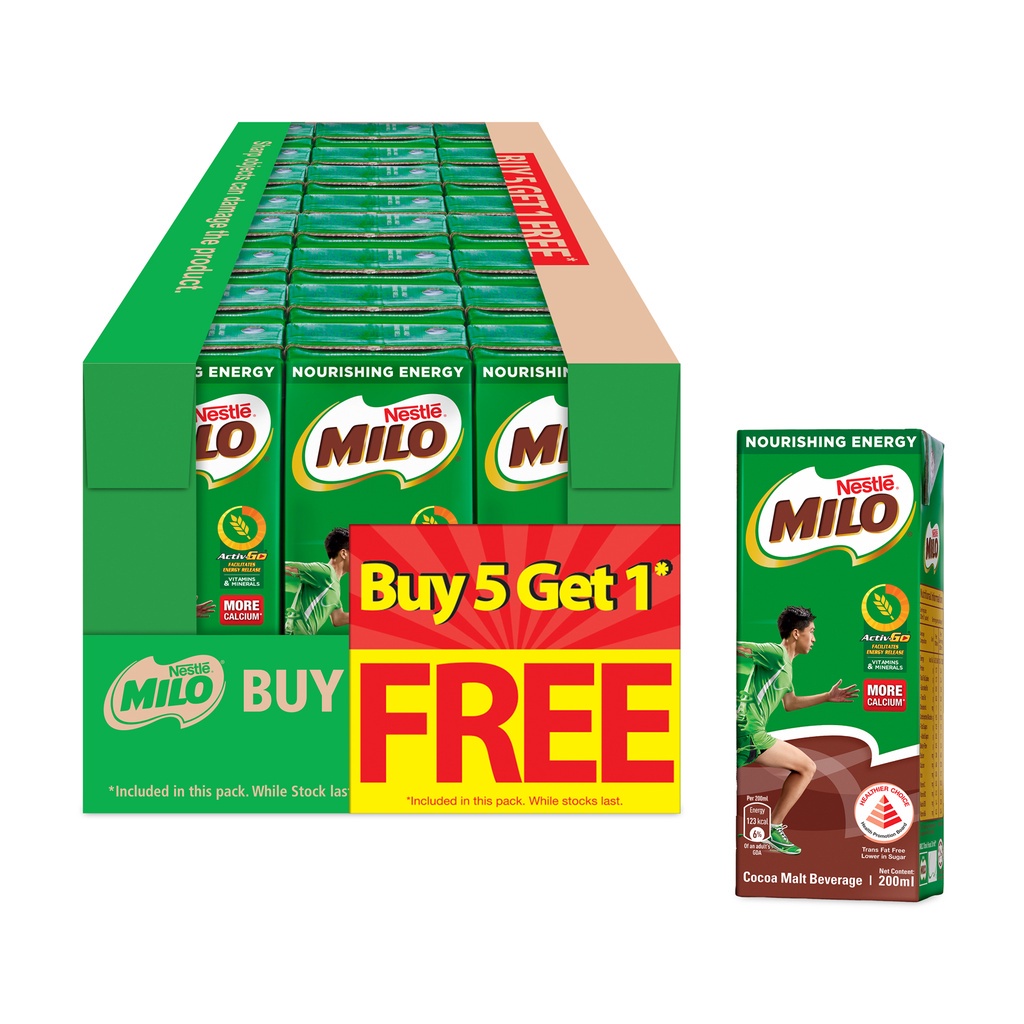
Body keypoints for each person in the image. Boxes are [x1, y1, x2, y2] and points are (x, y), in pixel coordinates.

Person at [737, 606, 857, 855]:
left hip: (745, 731)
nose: (814, 638)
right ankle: (773, 827)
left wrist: (827, 697)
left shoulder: (787, 667)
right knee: (807, 767)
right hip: (749, 731)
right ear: (795, 633)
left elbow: (790, 704)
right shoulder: (776, 653)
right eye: (811, 631)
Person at [284, 527, 350, 635]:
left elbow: (338, 619)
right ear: (343, 553)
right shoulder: (326, 572)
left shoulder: (335, 586)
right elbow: (286, 567)